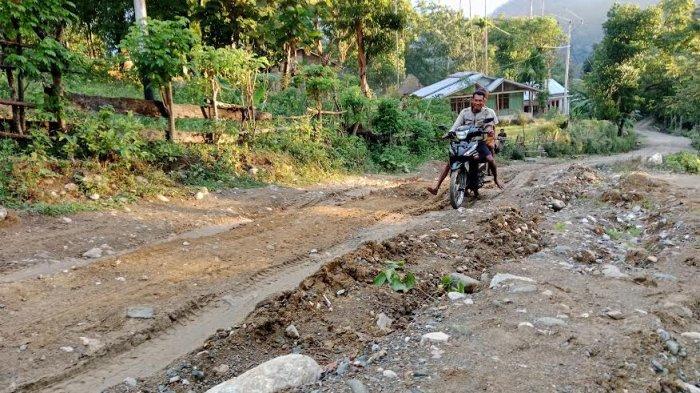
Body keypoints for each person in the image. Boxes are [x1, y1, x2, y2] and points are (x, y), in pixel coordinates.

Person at [427, 89, 503, 196]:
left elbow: (489, 125)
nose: (478, 103)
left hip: (479, 142)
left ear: (484, 100)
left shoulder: (488, 112)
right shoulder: (465, 112)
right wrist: (449, 133)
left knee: (490, 159)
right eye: (476, 100)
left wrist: (490, 131)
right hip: (464, 141)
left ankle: (496, 179)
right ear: (472, 100)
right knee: (451, 161)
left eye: (480, 100)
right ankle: (436, 187)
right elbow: (456, 125)